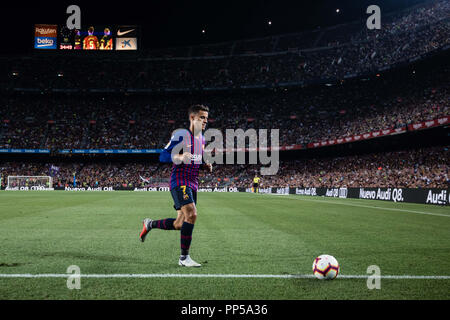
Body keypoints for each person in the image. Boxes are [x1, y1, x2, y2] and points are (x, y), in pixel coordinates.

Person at [139, 104, 212, 267]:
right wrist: (179, 156)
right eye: (202, 117)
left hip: (193, 183)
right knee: (192, 215)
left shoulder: (202, 139)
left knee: (180, 223)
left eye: (206, 118)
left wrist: (204, 165)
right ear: (192, 118)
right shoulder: (181, 135)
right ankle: (184, 258)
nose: (205, 121)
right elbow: (163, 156)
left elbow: (195, 159)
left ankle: (150, 224)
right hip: (180, 181)